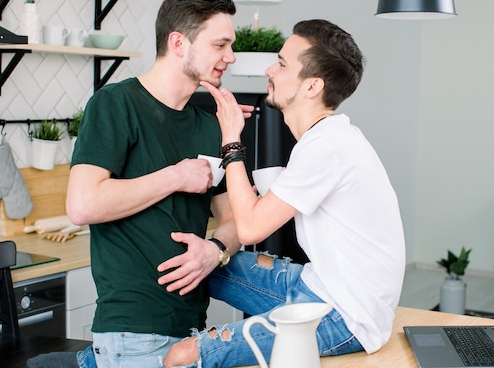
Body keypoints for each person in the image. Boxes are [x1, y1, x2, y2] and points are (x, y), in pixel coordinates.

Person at [160, 19, 406, 368]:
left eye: (282, 63)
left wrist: (232, 138)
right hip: (319, 286)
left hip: (347, 318)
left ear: (312, 87)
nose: (269, 70)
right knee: (206, 264)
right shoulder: (327, 139)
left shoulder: (327, 146)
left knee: (181, 357)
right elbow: (254, 211)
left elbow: (248, 229)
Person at [28, 0, 247, 368]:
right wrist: (176, 176)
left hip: (193, 327)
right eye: (220, 45)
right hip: (133, 333)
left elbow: (235, 221)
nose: (230, 57)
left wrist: (216, 249)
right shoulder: (115, 104)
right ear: (179, 43)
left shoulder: (211, 127)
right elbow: (82, 205)